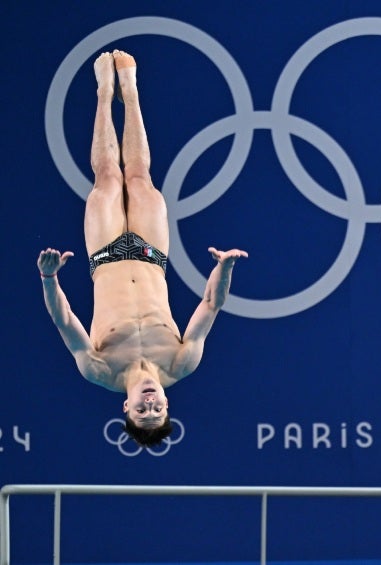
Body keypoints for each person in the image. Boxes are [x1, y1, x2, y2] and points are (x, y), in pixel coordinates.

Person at [37, 50, 247, 447]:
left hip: (106, 256)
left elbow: (64, 321)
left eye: (142, 411)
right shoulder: (181, 362)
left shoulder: (98, 370)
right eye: (158, 410)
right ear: (167, 402)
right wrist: (225, 269)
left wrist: (49, 278)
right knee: (139, 177)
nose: (150, 405)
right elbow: (210, 306)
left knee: (107, 179)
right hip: (152, 255)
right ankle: (130, 93)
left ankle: (102, 93)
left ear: (126, 408)